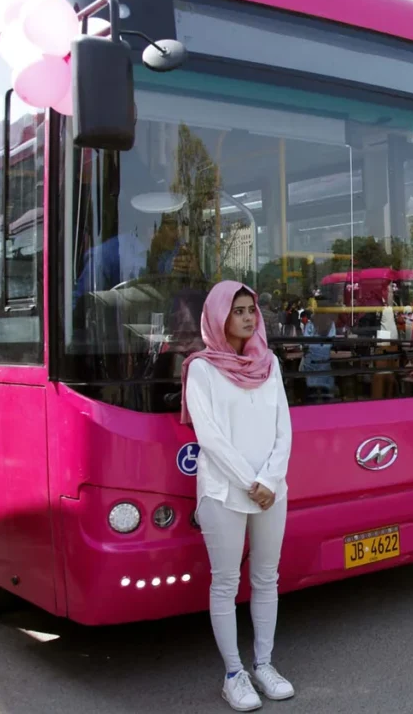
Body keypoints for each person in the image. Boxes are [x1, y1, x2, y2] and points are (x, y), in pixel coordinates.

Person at [182, 281, 295, 711]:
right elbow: (209, 437)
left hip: (272, 491)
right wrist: (252, 482)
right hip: (223, 493)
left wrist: (271, 479)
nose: (249, 317)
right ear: (218, 316)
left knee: (267, 578)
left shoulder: (269, 366)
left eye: (252, 310)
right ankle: (234, 674)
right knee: (226, 583)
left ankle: (264, 664)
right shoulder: (201, 369)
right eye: (239, 310)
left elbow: (284, 428)